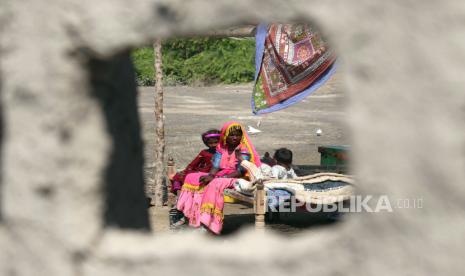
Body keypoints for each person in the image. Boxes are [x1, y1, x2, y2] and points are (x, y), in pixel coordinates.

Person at [176, 121, 261, 234]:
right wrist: (211, 175)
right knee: (191, 177)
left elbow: (241, 171)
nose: (235, 137)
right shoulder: (221, 147)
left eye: (238, 135)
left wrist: (219, 178)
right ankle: (192, 216)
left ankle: (209, 223)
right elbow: (215, 166)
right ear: (225, 135)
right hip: (221, 174)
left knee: (214, 183)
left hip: (238, 177)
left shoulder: (243, 149)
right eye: (232, 135)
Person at [170, 129, 220, 194]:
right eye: (210, 143)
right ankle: (177, 188)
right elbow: (194, 163)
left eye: (216, 142)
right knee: (180, 174)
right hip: (203, 170)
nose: (213, 145)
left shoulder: (223, 153)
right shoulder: (204, 152)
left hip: (215, 172)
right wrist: (186, 170)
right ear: (206, 143)